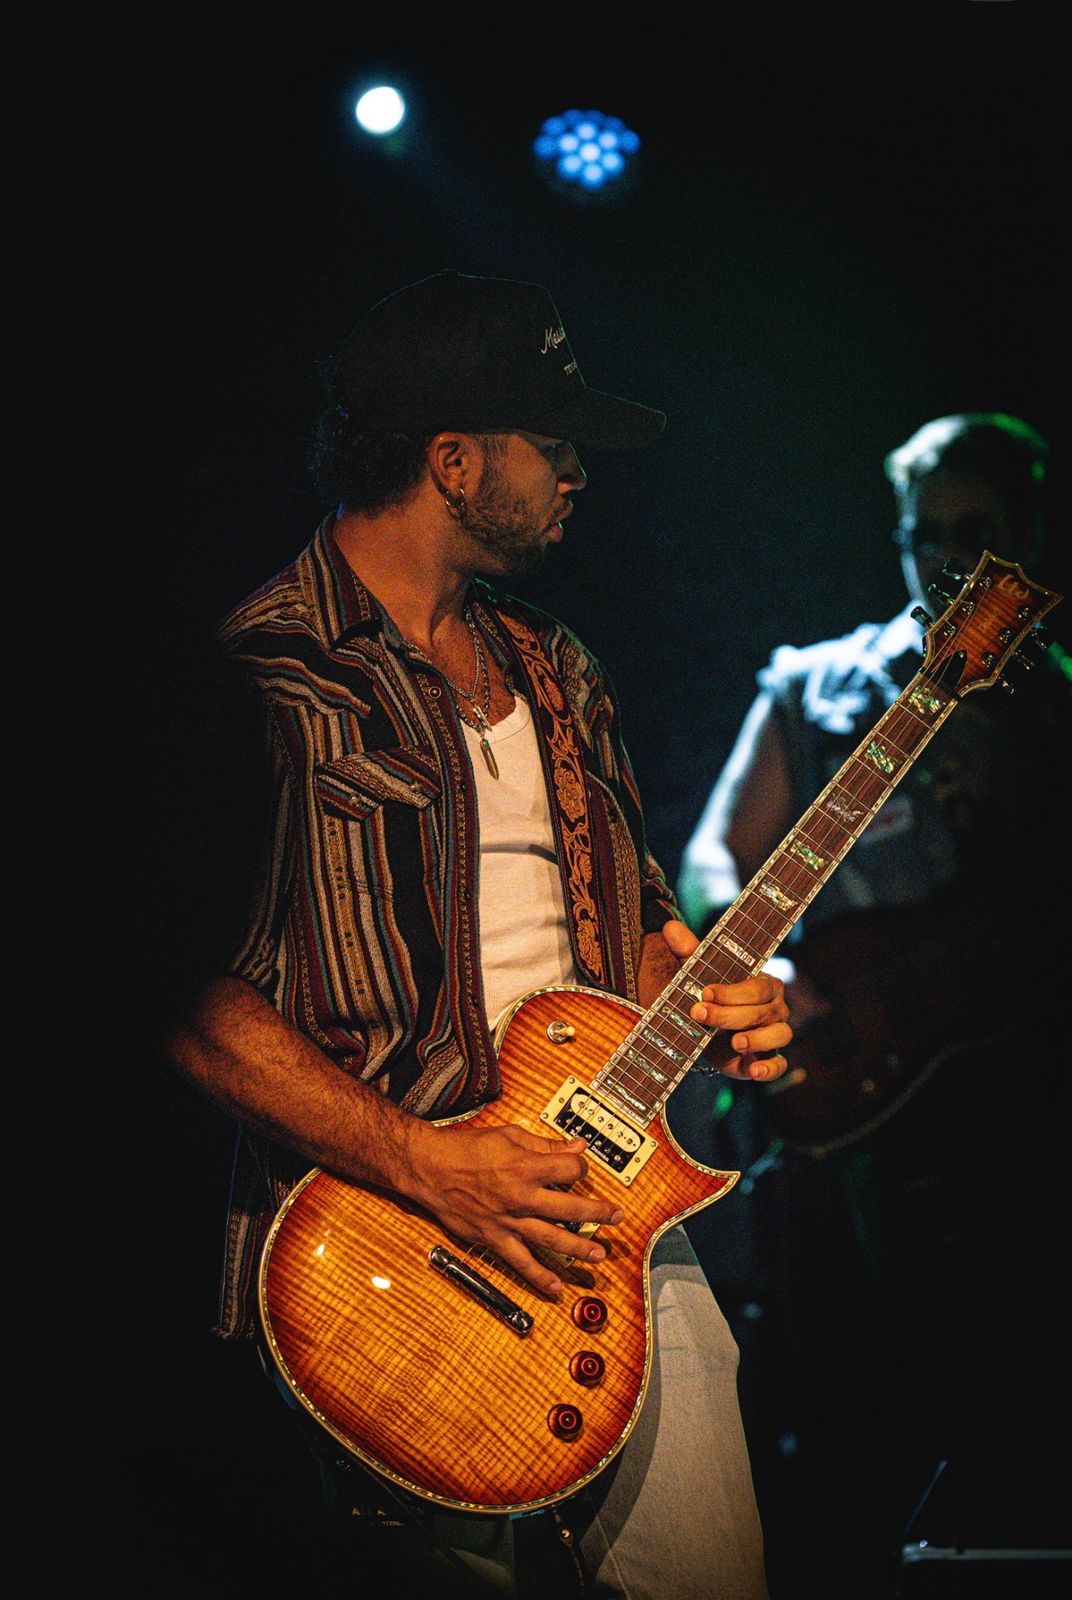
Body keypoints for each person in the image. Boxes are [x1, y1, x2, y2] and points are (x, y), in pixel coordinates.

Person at [164, 269, 793, 1600]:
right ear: (452, 461)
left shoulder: (560, 667)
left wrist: (719, 992)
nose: (578, 475)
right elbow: (190, 1008)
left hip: (603, 1215)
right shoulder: (263, 676)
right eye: (552, 444)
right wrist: (429, 1165)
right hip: (388, 1255)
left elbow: (634, 933)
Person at [676, 412, 1069, 1595]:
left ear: (1025, 535)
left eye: (973, 531)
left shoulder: (1050, 705)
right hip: (834, 1104)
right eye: (923, 535)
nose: (947, 559)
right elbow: (710, 857)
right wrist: (761, 963)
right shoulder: (813, 683)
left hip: (1010, 1113)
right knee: (843, 1413)